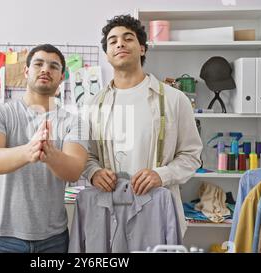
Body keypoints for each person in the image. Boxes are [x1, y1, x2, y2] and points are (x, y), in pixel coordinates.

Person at [83, 15, 203, 237]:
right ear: (107, 54)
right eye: (112, 41)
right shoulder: (92, 105)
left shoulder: (174, 99)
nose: (119, 43)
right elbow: (85, 155)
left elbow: (191, 156)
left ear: (142, 49)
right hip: (110, 214)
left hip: (157, 212)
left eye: (128, 38)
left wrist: (162, 175)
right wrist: (94, 172)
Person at [0, 44, 88, 253]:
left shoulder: (75, 122)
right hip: (0, 239)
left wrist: (50, 154)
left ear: (61, 77)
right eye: (38, 64)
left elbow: (74, 171)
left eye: (54, 66)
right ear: (26, 71)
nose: (46, 69)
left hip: (52, 240)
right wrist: (30, 150)